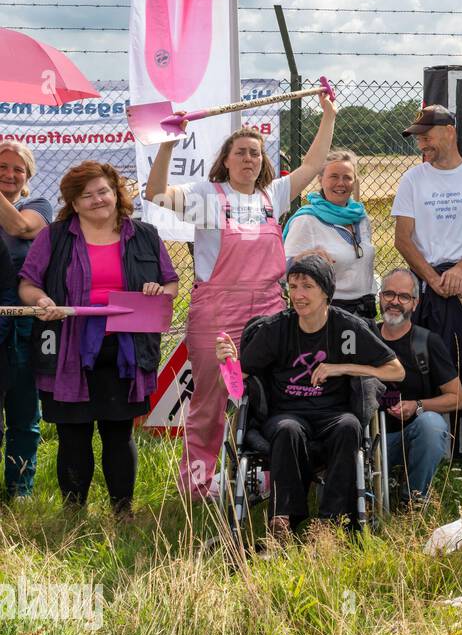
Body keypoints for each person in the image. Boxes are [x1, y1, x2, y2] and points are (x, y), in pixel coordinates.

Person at [146, 92, 337, 497]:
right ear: (226, 160)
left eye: (256, 153)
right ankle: (197, 485)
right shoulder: (206, 196)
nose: (249, 159)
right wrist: (167, 144)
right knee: (211, 402)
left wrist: (328, 115)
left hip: (268, 311)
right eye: (241, 153)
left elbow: (313, 164)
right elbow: (156, 194)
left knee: (270, 394)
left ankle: (264, 476)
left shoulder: (275, 196)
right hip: (217, 313)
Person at [18, 162, 178, 514]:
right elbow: (28, 283)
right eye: (85, 195)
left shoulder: (145, 235)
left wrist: (157, 291)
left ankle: (123, 511)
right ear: (73, 204)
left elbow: (171, 283)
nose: (96, 200)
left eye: (102, 191)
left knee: (118, 433)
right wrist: (42, 301)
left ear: (116, 193)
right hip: (68, 348)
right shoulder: (54, 236)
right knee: (73, 434)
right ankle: (73, 512)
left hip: (126, 348)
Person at [215, 255, 403, 536]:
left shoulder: (347, 327)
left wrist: (342, 368)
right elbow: (234, 388)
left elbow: (395, 371)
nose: (298, 295)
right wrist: (226, 364)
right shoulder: (276, 329)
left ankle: (331, 525)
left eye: (307, 286)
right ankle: (282, 522)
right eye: (293, 287)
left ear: (326, 291)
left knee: (350, 426)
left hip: (333, 414)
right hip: (286, 414)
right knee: (288, 429)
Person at [391, 104, 462, 462]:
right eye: (418, 137)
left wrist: (461, 271)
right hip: (429, 280)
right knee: (428, 363)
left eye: (427, 134)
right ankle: (435, 450)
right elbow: (402, 238)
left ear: (450, 131)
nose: (421, 141)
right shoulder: (412, 180)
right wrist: (432, 277)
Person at [373, 268, 462, 505]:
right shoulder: (366, 337)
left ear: (415, 303)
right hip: (371, 439)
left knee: (432, 424)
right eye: (389, 294)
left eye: (403, 297)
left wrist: (418, 406)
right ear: (380, 297)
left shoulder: (427, 342)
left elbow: (457, 398)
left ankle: (413, 500)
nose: (395, 302)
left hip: (412, 437)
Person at [0, 140, 51, 499]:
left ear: (28, 176)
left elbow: (19, 228)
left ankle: (20, 489)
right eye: (2, 166)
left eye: (18, 168)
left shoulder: (38, 207)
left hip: (22, 326)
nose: (9, 174)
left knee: (23, 413)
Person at [282, 149, 377, 320]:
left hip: (365, 310)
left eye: (347, 177)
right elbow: (282, 270)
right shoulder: (307, 220)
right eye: (334, 176)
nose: (341, 183)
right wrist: (303, 259)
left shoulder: (361, 218)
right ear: (320, 179)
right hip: (327, 313)